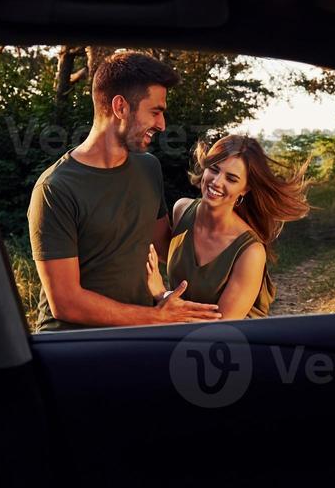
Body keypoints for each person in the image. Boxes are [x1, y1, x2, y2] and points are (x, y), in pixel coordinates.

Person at [28, 51, 222, 331]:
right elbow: (66, 301)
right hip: (70, 344)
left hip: (137, 333)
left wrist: (230, 229)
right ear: (120, 107)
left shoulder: (148, 168)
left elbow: (164, 248)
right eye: (155, 111)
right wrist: (157, 317)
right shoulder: (55, 189)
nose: (162, 124)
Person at [146, 134, 309, 320]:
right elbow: (175, 259)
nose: (217, 182)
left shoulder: (251, 252)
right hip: (181, 337)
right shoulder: (182, 210)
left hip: (234, 345)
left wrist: (162, 294)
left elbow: (220, 327)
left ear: (245, 189)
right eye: (214, 169)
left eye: (231, 179)